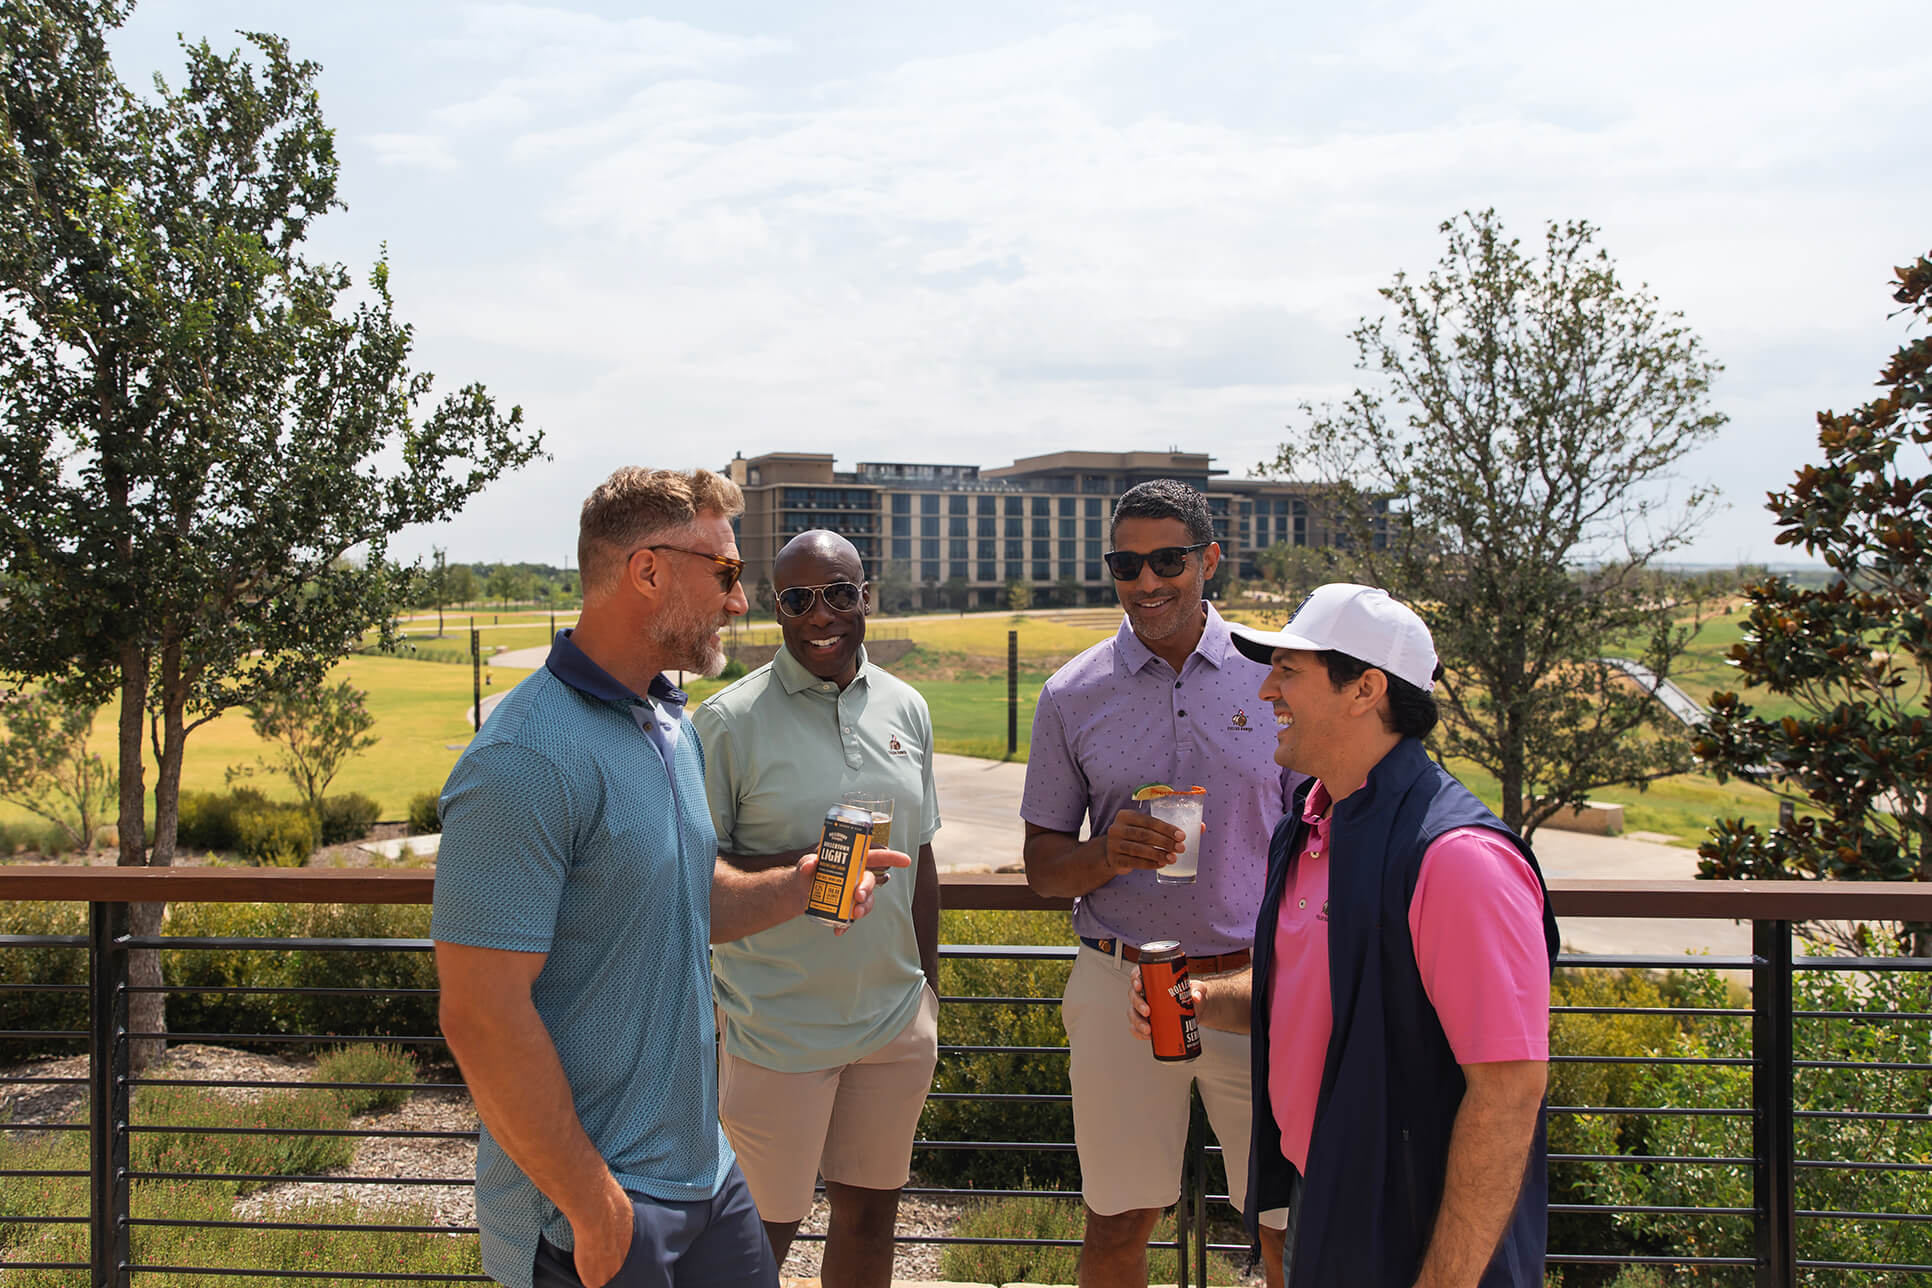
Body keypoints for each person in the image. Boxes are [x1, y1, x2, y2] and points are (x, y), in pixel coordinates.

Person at [431, 468, 907, 1288]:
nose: (739, 601)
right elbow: (479, 1016)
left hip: (706, 1174)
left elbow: (689, 898)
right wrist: (594, 1206)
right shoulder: (523, 759)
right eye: (724, 573)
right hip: (597, 1202)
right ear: (648, 571)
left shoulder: (667, 722)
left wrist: (798, 886)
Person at [1132, 582, 1559, 1287]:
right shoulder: (1311, 824)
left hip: (1413, 1233)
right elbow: (1312, 986)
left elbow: (1509, 1092)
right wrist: (1205, 999)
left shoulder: (1457, 860)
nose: (1266, 689)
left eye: (1289, 670)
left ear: (1365, 690)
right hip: (1324, 1200)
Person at [1021, 478, 1296, 1288]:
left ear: (1209, 560)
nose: (1146, 582)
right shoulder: (1071, 695)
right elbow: (1042, 867)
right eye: (1126, 564)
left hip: (1255, 986)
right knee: (1117, 1223)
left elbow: (1319, 838)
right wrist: (1107, 853)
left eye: (1167, 559)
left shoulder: (1274, 677)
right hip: (1122, 983)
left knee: (1285, 1229)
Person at [690, 530, 942, 1287]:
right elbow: (694, 878)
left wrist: (930, 989)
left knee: (871, 1221)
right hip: (776, 1028)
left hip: (894, 1023)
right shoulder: (727, 722)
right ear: (776, 609)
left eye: (838, 593)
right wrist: (809, 868)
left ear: (866, 596)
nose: (820, 614)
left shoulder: (908, 707)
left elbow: (922, 860)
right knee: (754, 1240)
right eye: (798, 599)